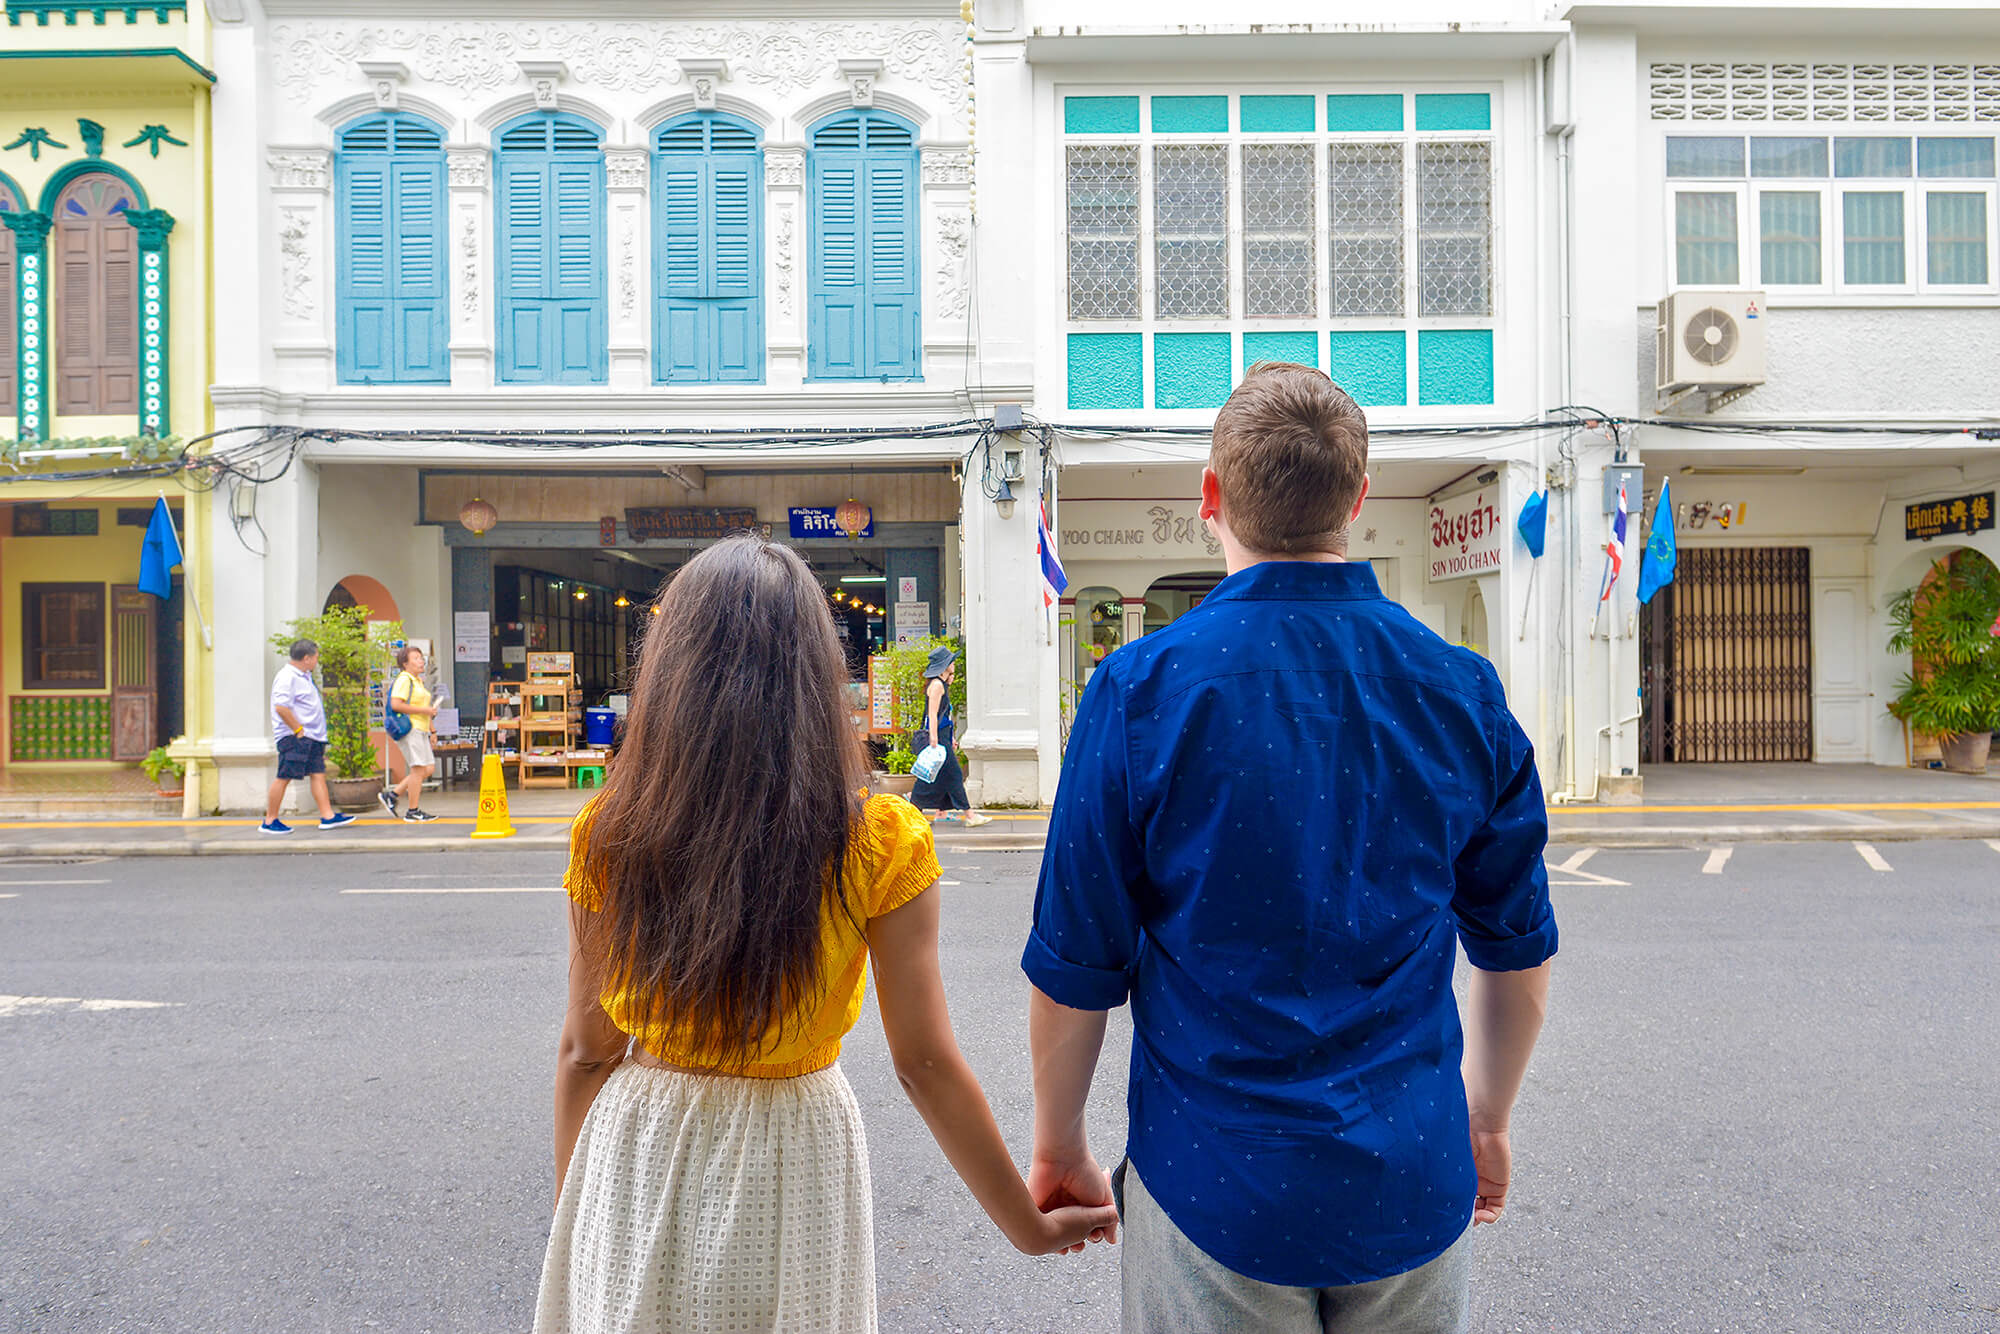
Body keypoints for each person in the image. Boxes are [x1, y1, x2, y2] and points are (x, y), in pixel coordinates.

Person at [1021, 363, 1558, 1334]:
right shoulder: (1460, 688)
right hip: (1410, 1170)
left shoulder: (1138, 690)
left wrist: (1058, 1138)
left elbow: (1075, 967)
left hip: (1211, 1180)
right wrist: (1483, 1120)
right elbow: (1514, 951)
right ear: (1356, 499)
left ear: (1209, 499)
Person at [533, 534, 1116, 1334]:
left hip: (641, 1139)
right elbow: (924, 1064)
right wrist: (1026, 1226)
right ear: (814, 676)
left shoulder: (610, 831)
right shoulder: (878, 840)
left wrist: (580, 1214)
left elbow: (587, 1051)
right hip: (796, 1148)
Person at [262, 639, 357, 835]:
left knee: (318, 774)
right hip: (294, 737)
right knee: (284, 776)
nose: (317, 661)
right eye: (315, 657)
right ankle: (270, 820)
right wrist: (298, 730)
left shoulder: (304, 676)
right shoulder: (287, 677)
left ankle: (328, 816)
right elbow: (281, 707)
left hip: (312, 736)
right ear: (306, 658)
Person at [908, 646, 991, 827]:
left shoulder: (941, 684)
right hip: (938, 738)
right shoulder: (937, 685)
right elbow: (932, 714)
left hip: (943, 737)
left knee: (939, 776)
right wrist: (934, 740)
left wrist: (949, 738)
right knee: (953, 774)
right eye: (951, 661)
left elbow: (944, 716)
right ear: (945, 665)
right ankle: (969, 815)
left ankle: (924, 811)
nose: (954, 664)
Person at [381, 644, 440, 823]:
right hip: (410, 729)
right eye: (416, 658)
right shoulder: (404, 679)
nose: (420, 661)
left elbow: (425, 709)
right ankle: (413, 810)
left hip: (421, 729)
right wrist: (425, 711)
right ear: (405, 664)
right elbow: (396, 704)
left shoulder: (418, 681)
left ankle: (392, 795)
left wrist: (432, 730)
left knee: (428, 768)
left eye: (421, 658)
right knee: (418, 769)